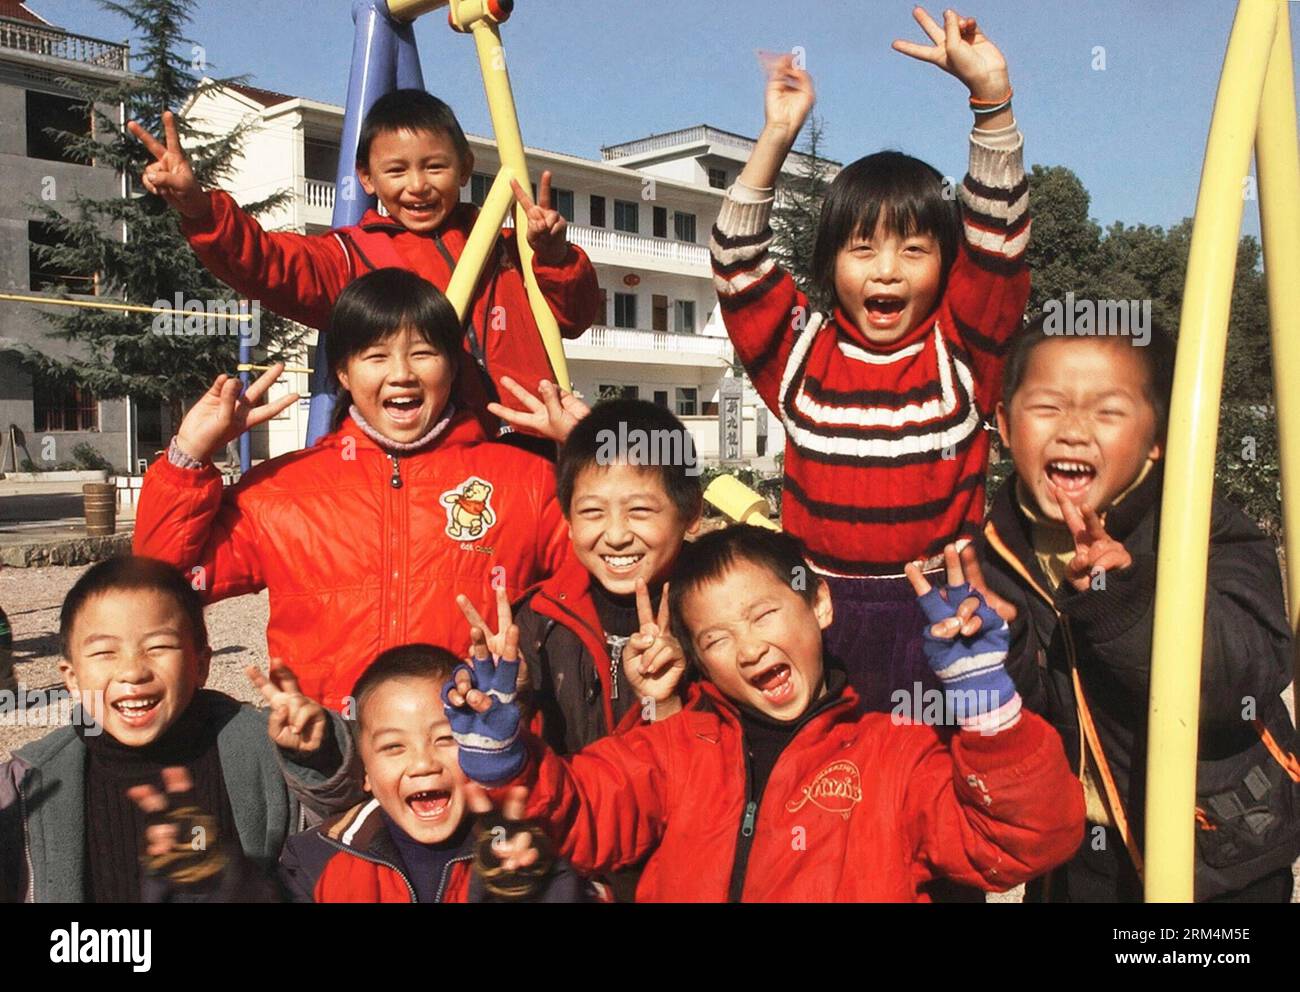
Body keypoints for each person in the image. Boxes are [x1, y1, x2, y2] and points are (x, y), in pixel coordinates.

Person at [441, 524, 1085, 902]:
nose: (748, 649)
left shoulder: (896, 755)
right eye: (717, 640)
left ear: (820, 605)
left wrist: (988, 708)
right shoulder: (672, 746)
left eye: (764, 614)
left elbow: (1020, 844)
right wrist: (508, 760)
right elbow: (581, 812)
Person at [709, 8, 1029, 713]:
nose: (886, 271)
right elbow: (736, 262)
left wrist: (992, 102)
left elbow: (1000, 242)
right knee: (834, 794)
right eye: (863, 249)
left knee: (938, 792)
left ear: (947, 268)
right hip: (820, 614)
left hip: (942, 614)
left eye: (913, 250)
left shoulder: (962, 355)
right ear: (830, 264)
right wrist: (777, 135)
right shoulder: (801, 354)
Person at [134, 268, 571, 709]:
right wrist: (187, 457)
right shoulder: (280, 490)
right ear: (342, 372)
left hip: (474, 752)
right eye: (376, 356)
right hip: (325, 754)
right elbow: (159, 584)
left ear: (452, 367)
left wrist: (589, 459)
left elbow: (618, 575)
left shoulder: (526, 483)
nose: (401, 374)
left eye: (422, 353)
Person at [974, 311, 1300, 902]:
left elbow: (1245, 675)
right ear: (1003, 422)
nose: (1073, 431)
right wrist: (994, 650)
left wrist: (1123, 601)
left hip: (1218, 850)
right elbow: (1030, 717)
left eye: (1108, 411)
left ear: (1158, 440)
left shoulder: (1202, 530)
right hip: (1079, 857)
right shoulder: (995, 551)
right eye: (1047, 407)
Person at [129, 90, 601, 440]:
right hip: (449, 453)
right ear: (367, 178)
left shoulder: (508, 246)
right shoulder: (350, 257)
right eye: (396, 171)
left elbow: (574, 318)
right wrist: (198, 208)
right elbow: (265, 262)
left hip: (543, 438)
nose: (417, 185)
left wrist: (555, 257)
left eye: (434, 167)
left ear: (464, 166)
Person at [0, 556, 357, 903]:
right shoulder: (29, 784)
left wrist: (318, 756)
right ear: (72, 679)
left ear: (201, 664)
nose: (133, 671)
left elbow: (350, 835)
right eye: (105, 652)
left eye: (158, 647)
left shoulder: (265, 753)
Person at [275, 643, 589, 902]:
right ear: (365, 772)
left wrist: (533, 885)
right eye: (394, 747)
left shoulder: (518, 850)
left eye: (445, 739)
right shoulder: (316, 859)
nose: (424, 763)